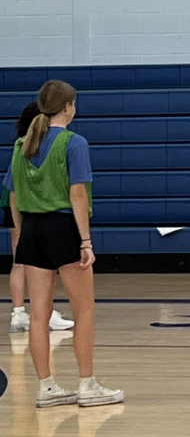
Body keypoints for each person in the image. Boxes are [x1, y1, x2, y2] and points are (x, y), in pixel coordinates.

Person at [4, 80, 122, 408]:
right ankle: (87, 384)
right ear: (68, 106)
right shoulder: (73, 142)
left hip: (32, 229)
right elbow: (78, 193)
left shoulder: (21, 145)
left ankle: (47, 387)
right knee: (84, 310)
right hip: (63, 226)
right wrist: (85, 240)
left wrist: (23, 231)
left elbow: (13, 197)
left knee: (39, 315)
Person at [7, 101, 75, 333]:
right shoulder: (36, 146)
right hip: (29, 206)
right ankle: (43, 312)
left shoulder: (21, 145)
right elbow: (15, 186)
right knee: (42, 263)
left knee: (20, 260)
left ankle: (19, 313)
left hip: (17, 203)